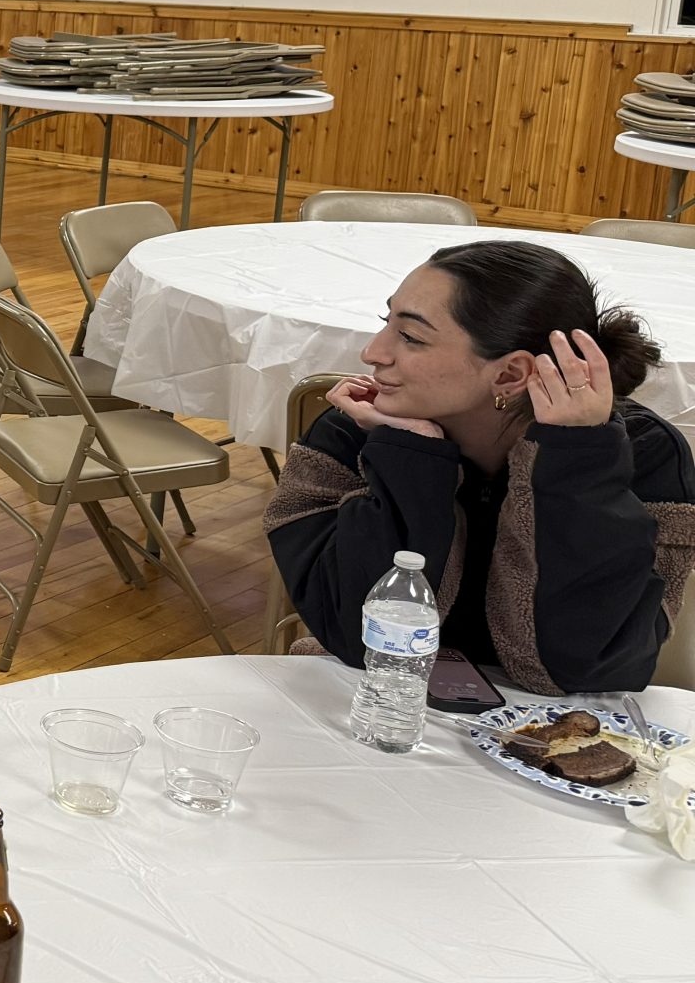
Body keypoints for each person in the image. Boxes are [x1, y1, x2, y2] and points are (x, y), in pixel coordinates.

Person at [266, 240, 695, 695]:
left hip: (557, 726)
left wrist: (576, 460)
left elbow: (587, 665)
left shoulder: (641, 453)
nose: (373, 352)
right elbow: (356, 638)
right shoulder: (353, 432)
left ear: (510, 375)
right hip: (379, 707)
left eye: (411, 337)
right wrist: (409, 454)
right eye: (385, 321)